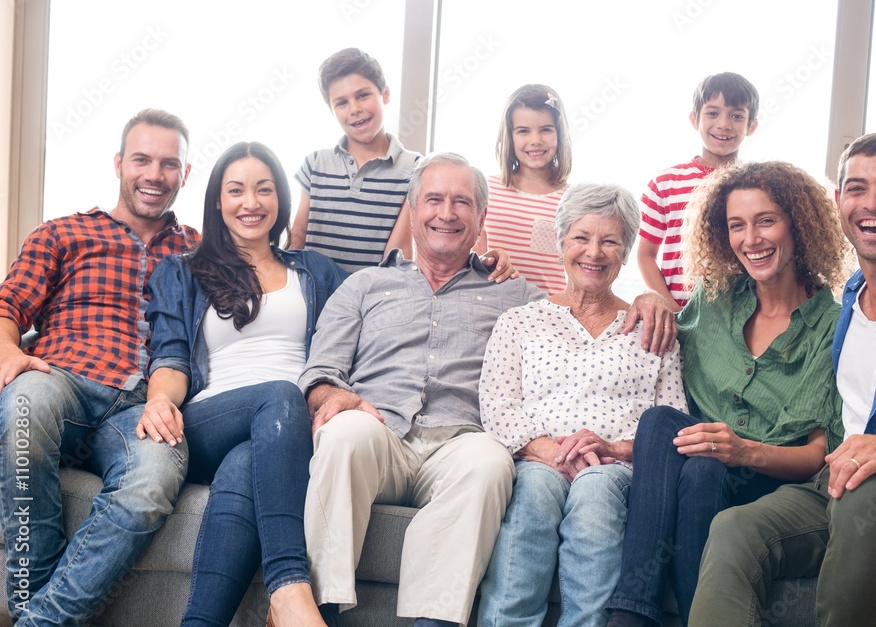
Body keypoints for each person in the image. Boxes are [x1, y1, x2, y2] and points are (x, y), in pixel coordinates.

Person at [299, 153, 675, 627]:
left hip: (460, 441)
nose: (447, 213)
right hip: (377, 428)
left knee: (490, 462)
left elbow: (581, 304)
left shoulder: (515, 296)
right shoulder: (364, 285)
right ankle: (315, 610)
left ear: (481, 220)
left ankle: (433, 623)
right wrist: (330, 396)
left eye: (462, 202)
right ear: (412, 211)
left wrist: (651, 297)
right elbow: (321, 372)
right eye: (433, 200)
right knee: (344, 432)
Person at [689, 132, 876, 627]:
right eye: (857, 188)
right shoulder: (854, 293)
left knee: (869, 492)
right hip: (838, 489)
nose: (872, 203)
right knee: (736, 527)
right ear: (838, 202)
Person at [606, 161, 850, 627]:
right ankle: (636, 613)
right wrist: (650, 299)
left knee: (707, 464)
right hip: (699, 475)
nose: (750, 239)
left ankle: (633, 618)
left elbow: (816, 455)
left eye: (766, 221)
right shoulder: (714, 298)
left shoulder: (831, 327)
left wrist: (744, 451)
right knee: (666, 428)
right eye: (737, 225)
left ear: (799, 225)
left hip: (767, 483)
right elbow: (660, 346)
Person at [0, 109, 198, 625]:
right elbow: (8, 307)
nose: (154, 174)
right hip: (63, 380)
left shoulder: (200, 251)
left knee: (152, 480)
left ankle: (36, 620)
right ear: (118, 164)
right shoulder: (63, 233)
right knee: (23, 404)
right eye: (141, 160)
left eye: (169, 164)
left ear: (185, 173)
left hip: (147, 406)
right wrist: (10, 353)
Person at [140, 142, 348, 627]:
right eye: (236, 190)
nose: (250, 203)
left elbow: (382, 297)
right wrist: (159, 401)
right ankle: (289, 588)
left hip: (286, 436)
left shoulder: (315, 271)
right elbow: (171, 357)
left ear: (280, 199)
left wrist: (483, 261)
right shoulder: (183, 271)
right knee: (280, 394)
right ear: (217, 200)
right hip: (211, 421)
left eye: (263, 190)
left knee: (246, 463)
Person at [477, 183, 687, 627]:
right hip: (539, 459)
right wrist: (556, 453)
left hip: (617, 470)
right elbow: (497, 406)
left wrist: (611, 451)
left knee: (595, 489)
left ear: (625, 252)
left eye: (610, 240)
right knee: (534, 488)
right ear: (560, 244)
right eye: (581, 237)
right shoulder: (520, 321)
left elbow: (674, 424)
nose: (594, 252)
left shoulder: (652, 328)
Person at [289, 47, 421, 270]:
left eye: (362, 95)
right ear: (332, 110)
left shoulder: (415, 169)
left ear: (385, 94)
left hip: (376, 290)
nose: (355, 109)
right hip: (314, 289)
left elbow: (397, 258)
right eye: (341, 103)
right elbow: (298, 238)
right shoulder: (315, 163)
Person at [636, 72, 759, 312]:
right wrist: (672, 308)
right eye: (712, 113)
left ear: (751, 126)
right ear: (694, 119)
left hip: (739, 315)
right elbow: (645, 254)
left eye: (736, 115)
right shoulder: (665, 183)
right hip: (679, 314)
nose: (724, 124)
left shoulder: (757, 187)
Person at [473, 84, 572, 295]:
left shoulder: (571, 200)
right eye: (523, 131)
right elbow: (472, 260)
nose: (535, 140)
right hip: (490, 307)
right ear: (510, 136)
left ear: (560, 133)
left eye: (546, 129)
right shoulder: (486, 189)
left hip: (548, 310)